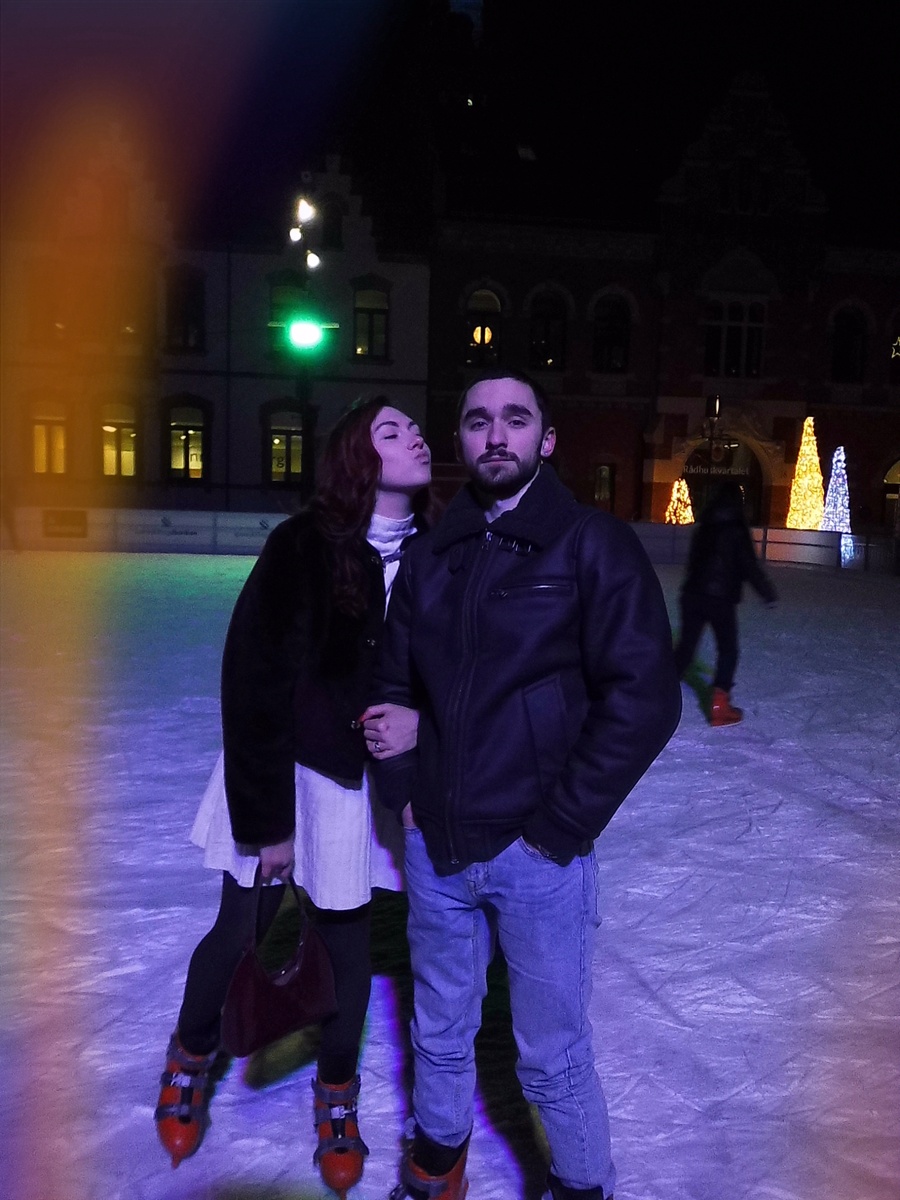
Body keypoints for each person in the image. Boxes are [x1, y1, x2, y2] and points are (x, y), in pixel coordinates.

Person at [367, 370, 682, 1200]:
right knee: (438, 1032)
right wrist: (405, 793)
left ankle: (581, 1186)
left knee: (551, 1057)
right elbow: (391, 684)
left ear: (546, 438)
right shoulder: (433, 554)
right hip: (439, 848)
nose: (495, 434)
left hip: (537, 856)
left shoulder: (590, 544)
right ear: (462, 440)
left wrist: (558, 826)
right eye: (478, 421)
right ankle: (438, 1166)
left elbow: (645, 699)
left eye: (515, 419)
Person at [155, 396, 432, 1199]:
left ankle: (337, 1097)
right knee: (238, 930)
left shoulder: (441, 554)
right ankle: (189, 1056)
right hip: (284, 772)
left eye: (415, 427)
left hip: (364, 789)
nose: (414, 435)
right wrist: (270, 822)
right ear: (358, 458)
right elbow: (253, 683)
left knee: (347, 951)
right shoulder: (303, 545)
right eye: (390, 430)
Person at [673, 479, 777, 726]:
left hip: (693, 594)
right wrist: (767, 592)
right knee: (728, 649)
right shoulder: (737, 528)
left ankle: (654, 693)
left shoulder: (705, 525)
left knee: (686, 648)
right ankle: (719, 705)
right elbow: (748, 565)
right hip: (720, 599)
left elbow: (693, 562)